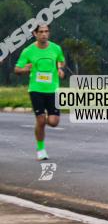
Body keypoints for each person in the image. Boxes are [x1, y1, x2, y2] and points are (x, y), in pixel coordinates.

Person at [14, 23, 66, 160]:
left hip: (53, 89)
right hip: (36, 89)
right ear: (35, 34)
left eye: (46, 31)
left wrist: (60, 69)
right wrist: (26, 69)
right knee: (41, 119)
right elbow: (17, 69)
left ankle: (41, 122)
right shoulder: (28, 51)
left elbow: (61, 61)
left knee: (54, 122)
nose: (44, 34)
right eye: (41, 32)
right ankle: (41, 149)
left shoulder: (56, 48)